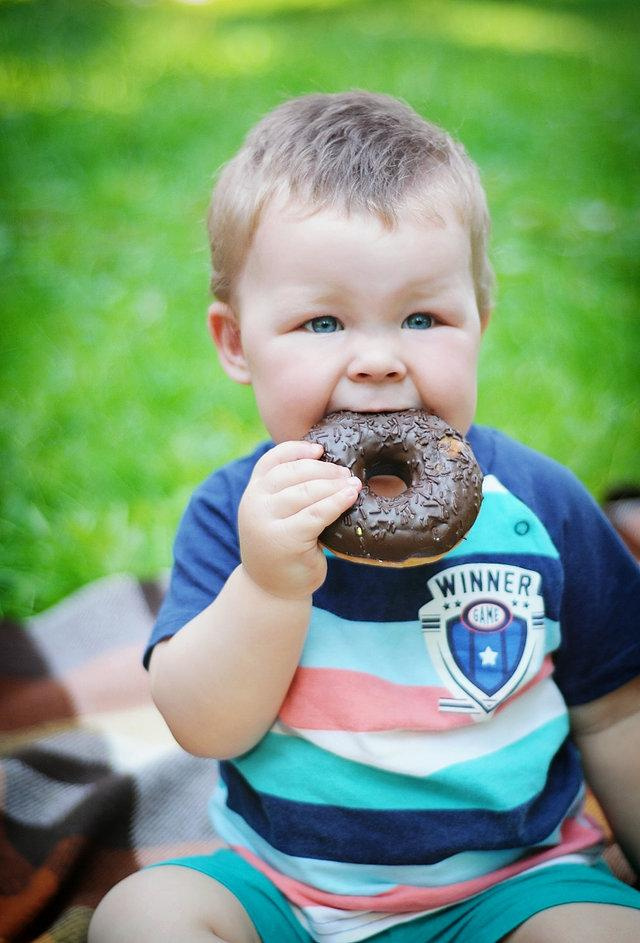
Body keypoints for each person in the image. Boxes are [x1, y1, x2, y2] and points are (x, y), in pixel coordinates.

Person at [89, 91, 640, 943]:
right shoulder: (237, 518)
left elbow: (618, 711)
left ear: (480, 322)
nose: (380, 360)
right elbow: (204, 726)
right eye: (322, 321)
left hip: (515, 884)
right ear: (237, 343)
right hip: (282, 884)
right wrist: (268, 586)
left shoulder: (543, 507)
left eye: (423, 317)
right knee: (141, 916)